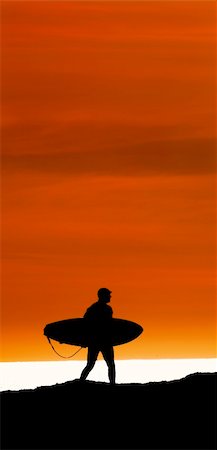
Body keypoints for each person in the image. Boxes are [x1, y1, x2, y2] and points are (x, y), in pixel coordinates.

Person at [80, 288, 116, 384]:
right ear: (103, 296)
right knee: (108, 364)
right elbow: (85, 325)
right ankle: (112, 384)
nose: (110, 297)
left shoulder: (94, 308)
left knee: (92, 364)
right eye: (108, 295)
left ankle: (81, 381)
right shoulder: (101, 309)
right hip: (101, 341)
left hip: (98, 341)